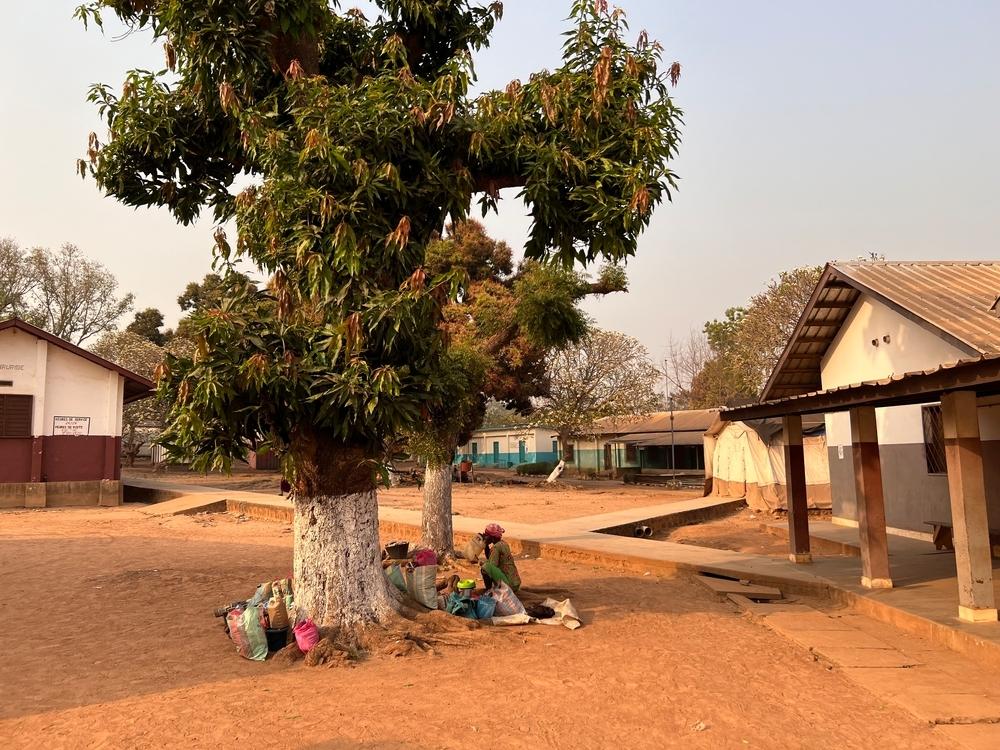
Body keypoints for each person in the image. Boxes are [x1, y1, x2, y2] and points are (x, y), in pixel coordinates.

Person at [480, 523, 521, 592]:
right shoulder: (504, 544)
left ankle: (489, 591)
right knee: (487, 566)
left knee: (484, 568)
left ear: (492, 537)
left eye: (487, 535)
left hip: (509, 586)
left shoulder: (496, 548)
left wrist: (481, 563)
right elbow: (491, 559)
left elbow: (491, 566)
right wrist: (486, 546)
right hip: (515, 583)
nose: (485, 537)